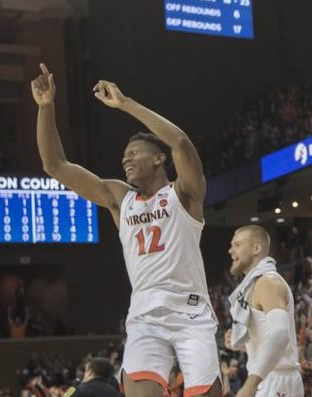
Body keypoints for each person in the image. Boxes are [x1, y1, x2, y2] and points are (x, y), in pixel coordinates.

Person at [32, 64, 220, 397]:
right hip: (145, 315)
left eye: (133, 153)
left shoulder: (184, 194)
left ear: (160, 159)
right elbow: (55, 165)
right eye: (123, 156)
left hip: (190, 312)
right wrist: (46, 108)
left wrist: (125, 103)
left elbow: (181, 142)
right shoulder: (120, 199)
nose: (126, 160)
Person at [224, 226, 301, 397]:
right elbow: (272, 337)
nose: (230, 250)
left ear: (256, 248)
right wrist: (245, 345)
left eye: (237, 244)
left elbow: (281, 334)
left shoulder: (268, 282)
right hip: (270, 377)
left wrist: (251, 383)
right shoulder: (256, 283)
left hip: (276, 378)